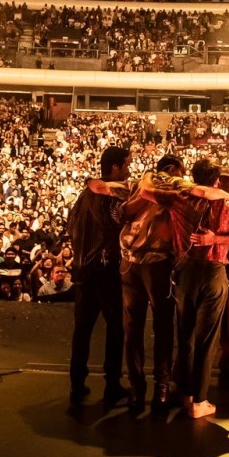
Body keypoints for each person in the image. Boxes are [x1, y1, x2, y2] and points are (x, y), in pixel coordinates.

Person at [162, 157, 229, 419]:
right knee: (206, 339)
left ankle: (183, 392)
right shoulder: (228, 204)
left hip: (185, 270)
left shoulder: (179, 199)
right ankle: (199, 400)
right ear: (216, 180)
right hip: (214, 270)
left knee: (184, 333)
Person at [65, 145, 130, 406]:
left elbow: (71, 225)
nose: (129, 170)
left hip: (83, 270)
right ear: (115, 167)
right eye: (126, 165)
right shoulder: (112, 196)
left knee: (82, 330)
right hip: (105, 271)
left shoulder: (84, 195)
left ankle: (76, 384)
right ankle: (112, 385)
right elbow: (117, 224)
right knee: (115, 329)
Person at [119, 152, 182, 411]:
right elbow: (124, 211)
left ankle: (161, 385)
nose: (182, 177)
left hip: (157, 263)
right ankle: (138, 385)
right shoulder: (141, 186)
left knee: (161, 325)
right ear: (169, 170)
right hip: (133, 263)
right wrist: (146, 188)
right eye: (180, 171)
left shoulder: (174, 193)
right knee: (133, 327)